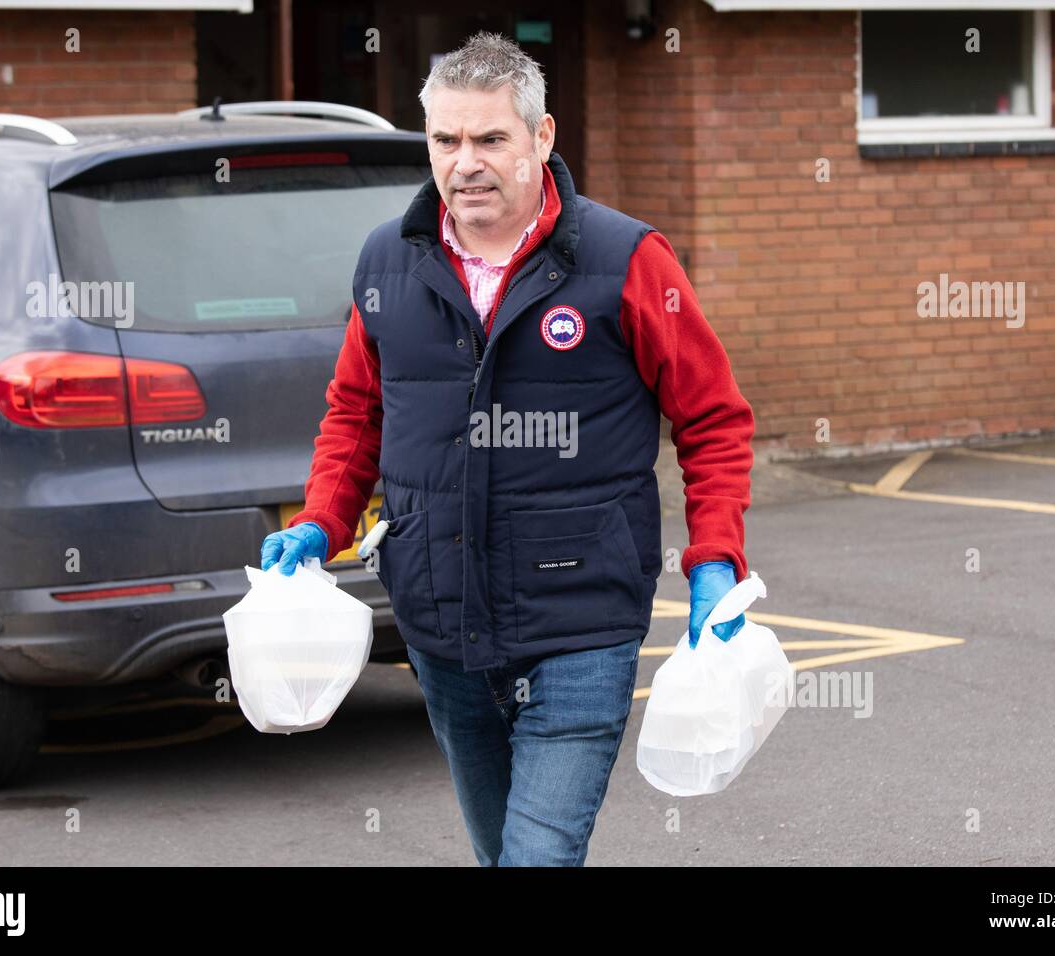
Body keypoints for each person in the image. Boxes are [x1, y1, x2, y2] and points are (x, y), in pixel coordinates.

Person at [261, 31, 754, 866]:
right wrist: (321, 521)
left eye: (490, 139)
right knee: (503, 856)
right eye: (445, 140)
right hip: (440, 619)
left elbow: (712, 417)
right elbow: (357, 410)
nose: (465, 164)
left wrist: (716, 556)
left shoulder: (627, 259)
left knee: (537, 858)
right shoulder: (389, 259)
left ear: (542, 138)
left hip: (582, 622)